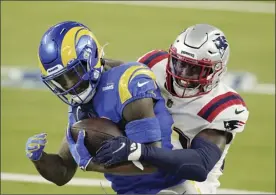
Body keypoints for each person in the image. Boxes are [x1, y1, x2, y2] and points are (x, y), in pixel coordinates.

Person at [25, 21, 220, 194]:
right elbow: (63, 172)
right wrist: (39, 158)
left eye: (74, 73)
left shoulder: (128, 84)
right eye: (61, 80)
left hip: (171, 189)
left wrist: (94, 165)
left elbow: (152, 162)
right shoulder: (78, 108)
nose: (70, 85)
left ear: (90, 59)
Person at [93, 24, 249, 194]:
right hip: (145, 169)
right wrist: (94, 66)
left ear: (216, 70)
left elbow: (200, 164)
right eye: (179, 63)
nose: (183, 74)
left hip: (186, 182)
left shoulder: (222, 106)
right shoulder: (154, 64)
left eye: (195, 69)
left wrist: (140, 151)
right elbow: (124, 76)